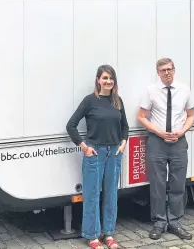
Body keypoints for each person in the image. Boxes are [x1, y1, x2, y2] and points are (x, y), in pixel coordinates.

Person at [66, 64, 129, 249]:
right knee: (92, 195)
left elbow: (125, 126)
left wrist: (123, 143)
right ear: (98, 80)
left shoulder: (117, 101)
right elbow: (71, 125)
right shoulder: (90, 101)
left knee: (111, 195)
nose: (108, 81)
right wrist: (84, 147)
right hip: (95, 153)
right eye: (105, 78)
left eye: (111, 78)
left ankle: (108, 234)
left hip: (114, 153)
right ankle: (93, 235)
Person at [137, 58, 194, 240]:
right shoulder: (151, 91)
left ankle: (175, 222)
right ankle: (159, 222)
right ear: (158, 72)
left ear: (174, 70)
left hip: (178, 142)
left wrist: (181, 131)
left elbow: (191, 116)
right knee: (158, 184)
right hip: (157, 142)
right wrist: (160, 132)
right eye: (163, 70)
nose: (167, 72)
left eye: (169, 69)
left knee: (178, 184)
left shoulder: (184, 89)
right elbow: (142, 116)